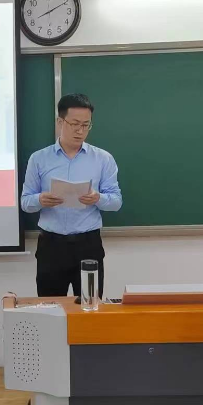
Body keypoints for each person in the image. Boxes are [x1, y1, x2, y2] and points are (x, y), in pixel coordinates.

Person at [20, 93, 122, 298]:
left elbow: (116, 202)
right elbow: (25, 202)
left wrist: (98, 198)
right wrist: (40, 199)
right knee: (50, 308)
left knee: (89, 305)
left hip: (88, 245)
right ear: (60, 122)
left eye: (86, 125)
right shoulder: (39, 159)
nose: (80, 130)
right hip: (51, 246)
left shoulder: (103, 159)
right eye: (75, 124)